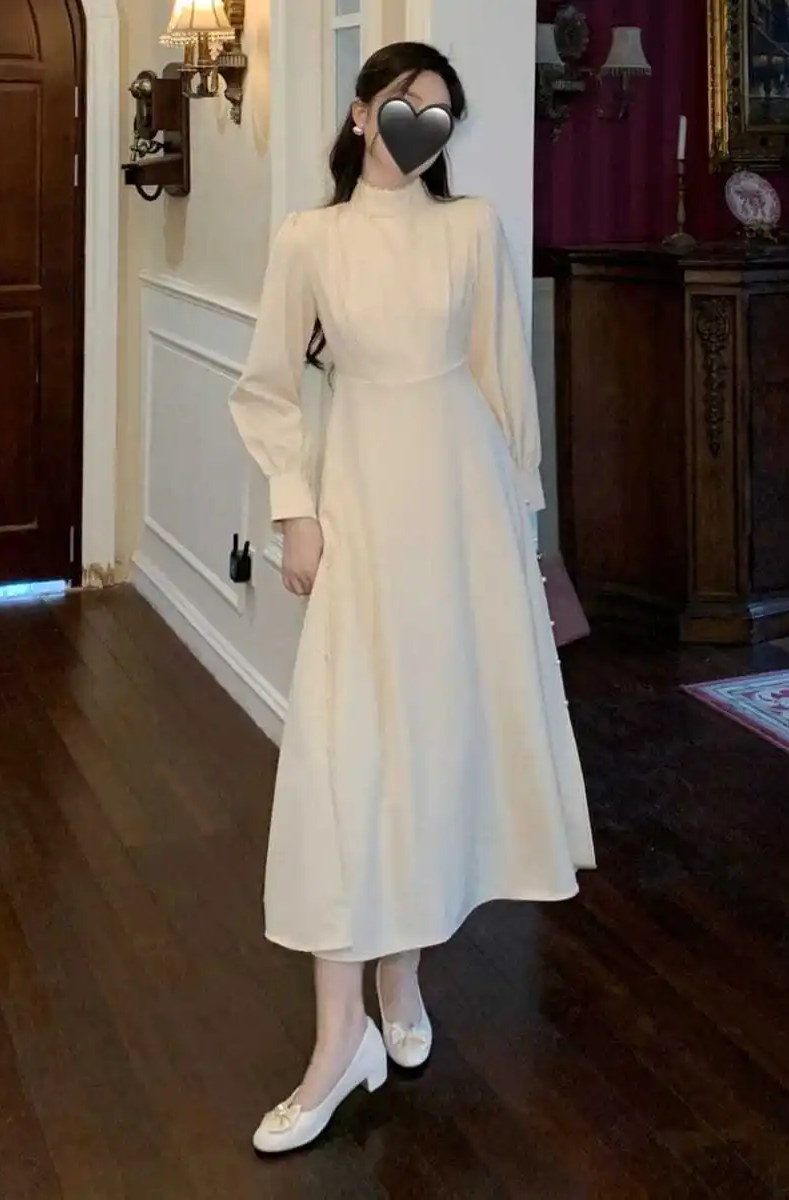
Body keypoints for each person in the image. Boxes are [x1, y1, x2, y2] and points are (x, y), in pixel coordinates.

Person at [228, 41, 596, 1155]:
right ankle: (336, 1043)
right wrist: (294, 512)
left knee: (430, 748)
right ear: (360, 113)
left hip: (464, 512)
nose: (418, 126)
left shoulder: (473, 228)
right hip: (359, 503)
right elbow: (268, 388)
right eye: (402, 104)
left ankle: (400, 981)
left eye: (439, 112)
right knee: (346, 753)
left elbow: (503, 382)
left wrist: (521, 529)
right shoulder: (310, 238)